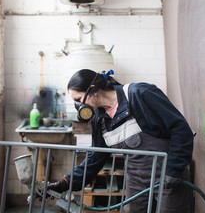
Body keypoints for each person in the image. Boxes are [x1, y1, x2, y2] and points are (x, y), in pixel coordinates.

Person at [48, 69, 194, 212]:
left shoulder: (139, 94)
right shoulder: (99, 120)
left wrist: (174, 170)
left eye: (79, 100)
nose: (79, 107)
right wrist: (65, 183)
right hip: (135, 179)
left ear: (93, 90)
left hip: (166, 175)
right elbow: (96, 157)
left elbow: (180, 128)